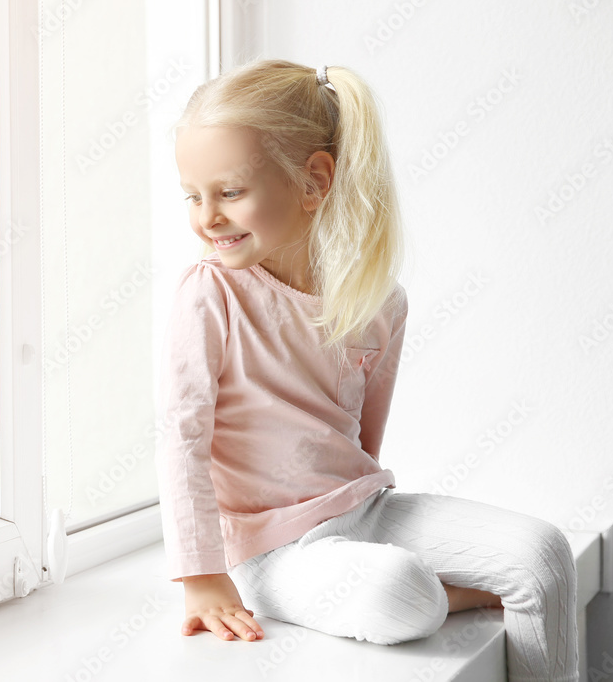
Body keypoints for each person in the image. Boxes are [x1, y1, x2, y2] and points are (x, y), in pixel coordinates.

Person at [154, 59, 579, 682]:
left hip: (362, 509)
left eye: (230, 192)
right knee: (397, 592)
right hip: (268, 549)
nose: (207, 217)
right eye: (193, 195)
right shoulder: (208, 294)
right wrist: (201, 576)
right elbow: (181, 436)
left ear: (313, 181)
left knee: (542, 555)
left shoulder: (379, 303)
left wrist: (362, 526)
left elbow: (361, 441)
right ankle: (450, 595)